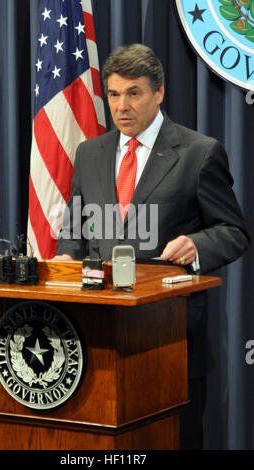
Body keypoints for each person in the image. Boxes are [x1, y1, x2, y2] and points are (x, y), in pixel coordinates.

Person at [54, 43, 250, 449]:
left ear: (159, 93)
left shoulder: (199, 152)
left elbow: (233, 232)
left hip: (169, 338)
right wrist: (65, 257)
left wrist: (196, 244)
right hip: (95, 337)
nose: (121, 105)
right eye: (113, 94)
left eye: (134, 93)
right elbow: (74, 227)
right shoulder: (90, 153)